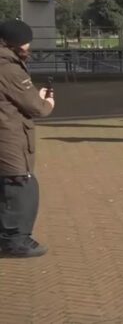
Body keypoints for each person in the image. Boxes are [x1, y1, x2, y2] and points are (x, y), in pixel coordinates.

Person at [0, 20, 54, 258]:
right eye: (25, 41)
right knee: (21, 186)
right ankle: (16, 240)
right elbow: (35, 107)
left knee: (7, 186)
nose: (28, 45)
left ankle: (8, 237)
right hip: (9, 136)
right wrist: (46, 103)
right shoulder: (8, 68)